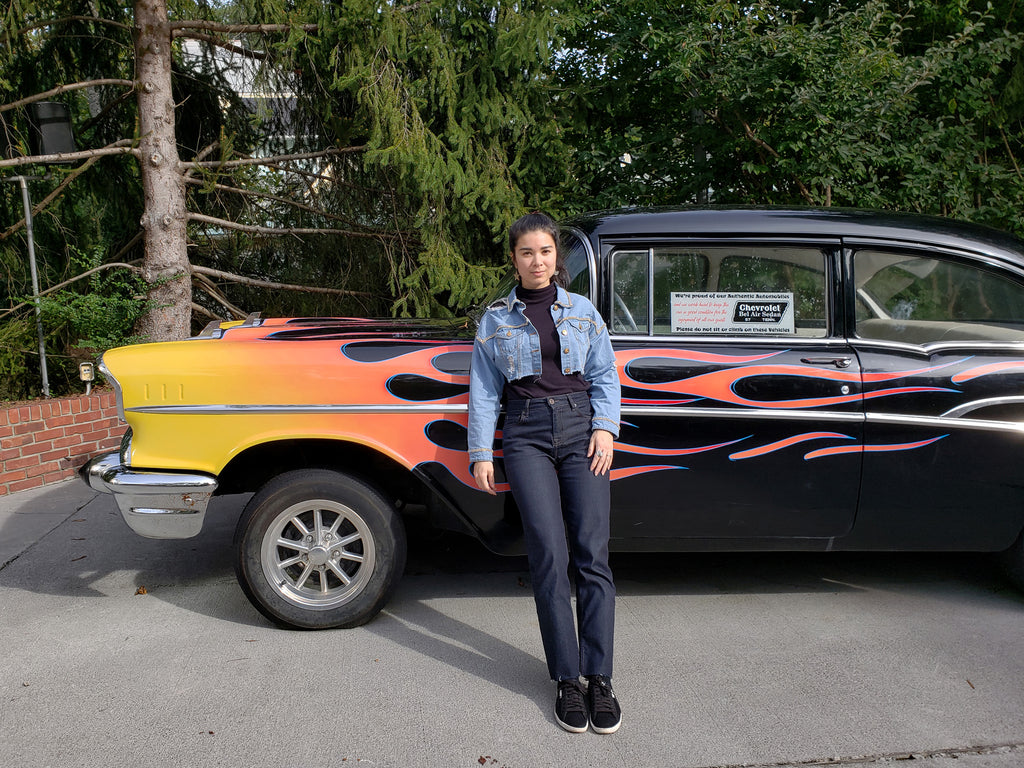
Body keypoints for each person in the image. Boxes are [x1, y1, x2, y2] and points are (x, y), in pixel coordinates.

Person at [468, 212, 622, 734]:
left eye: (546, 252)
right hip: (527, 434)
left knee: (591, 553)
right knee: (550, 556)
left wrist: (605, 428)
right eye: (527, 253)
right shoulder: (495, 320)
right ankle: (566, 680)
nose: (538, 261)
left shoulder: (583, 311)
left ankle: (598, 678)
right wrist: (481, 452)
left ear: (558, 258)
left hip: (583, 431)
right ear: (513, 259)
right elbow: (485, 391)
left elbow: (604, 375)